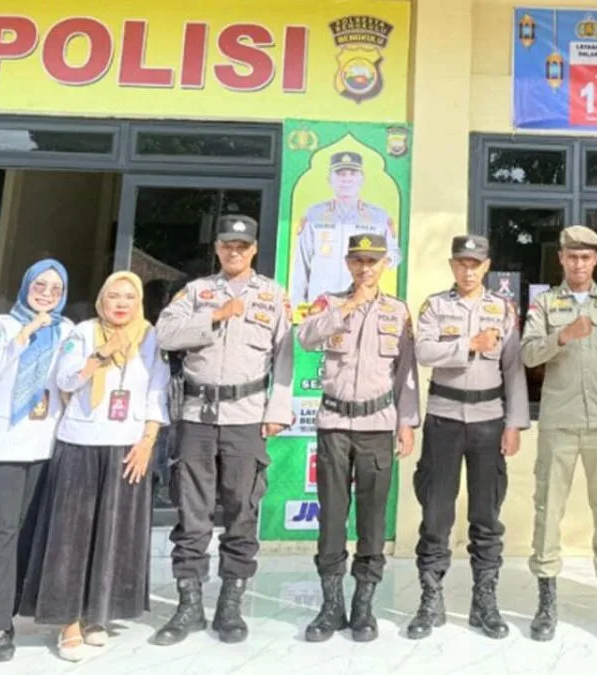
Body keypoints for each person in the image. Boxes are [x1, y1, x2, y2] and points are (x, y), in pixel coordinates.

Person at [152, 215, 293, 646]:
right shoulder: (196, 292)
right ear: (217, 248)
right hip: (197, 415)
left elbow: (284, 357)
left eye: (242, 246)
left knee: (241, 512)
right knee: (192, 514)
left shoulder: (272, 295)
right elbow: (164, 334)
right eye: (227, 245)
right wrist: (214, 316)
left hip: (247, 416)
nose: (234, 252)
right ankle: (189, 604)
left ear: (253, 250)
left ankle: (230, 604)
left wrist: (278, 409)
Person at [19, 271, 170, 662]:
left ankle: (97, 615)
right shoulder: (84, 332)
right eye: (114, 296)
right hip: (82, 444)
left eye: (129, 297)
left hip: (127, 447)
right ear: (102, 300)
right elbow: (65, 380)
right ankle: (68, 621)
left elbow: (157, 391)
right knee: (71, 538)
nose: (121, 304)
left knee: (115, 534)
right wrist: (102, 353)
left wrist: (147, 442)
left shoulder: (149, 335)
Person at [297, 233, 419, 643]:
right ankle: (331, 605)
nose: (366, 268)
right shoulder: (328, 302)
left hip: (377, 427)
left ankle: (363, 605)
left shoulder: (398, 311)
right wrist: (346, 308)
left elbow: (407, 374)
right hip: (334, 423)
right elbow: (306, 337)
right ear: (349, 264)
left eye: (374, 261)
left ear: (386, 265)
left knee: (372, 519)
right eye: (359, 261)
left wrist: (407, 422)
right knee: (331, 517)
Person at [407, 235, 529, 640]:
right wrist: (468, 345)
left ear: (487, 265)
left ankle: (485, 602)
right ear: (452, 265)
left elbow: (513, 370)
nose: (468, 270)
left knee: (486, 514)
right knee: (436, 511)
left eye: (475, 263)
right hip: (443, 419)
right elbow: (423, 351)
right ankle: (430, 598)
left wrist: (514, 423)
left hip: (489, 422)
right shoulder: (435, 306)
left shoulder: (503, 309)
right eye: (461, 262)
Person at [521, 224, 597, 644]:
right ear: (562, 259)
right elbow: (527, 353)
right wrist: (563, 335)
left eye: (586, 257)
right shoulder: (545, 304)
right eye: (572, 256)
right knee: (547, 510)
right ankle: (546, 603)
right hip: (559, 424)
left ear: (596, 261)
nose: (579, 263)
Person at [0, 259, 74, 662]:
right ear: (26, 285)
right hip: (3, 447)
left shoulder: (65, 330)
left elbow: (67, 379)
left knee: (29, 535)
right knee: (0, 536)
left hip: (45, 444)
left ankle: (9, 609)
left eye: (55, 287)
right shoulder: (4, 323)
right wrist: (26, 333)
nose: (46, 293)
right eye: (39, 285)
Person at [289, 152, 400, 311]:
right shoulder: (314, 215)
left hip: (363, 306)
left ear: (362, 179)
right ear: (330, 180)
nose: (346, 179)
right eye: (340, 173)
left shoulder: (379, 217)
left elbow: (393, 258)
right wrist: (297, 305)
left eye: (352, 173)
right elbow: (301, 264)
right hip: (322, 305)